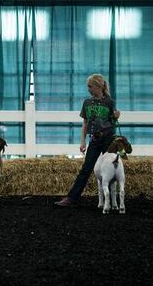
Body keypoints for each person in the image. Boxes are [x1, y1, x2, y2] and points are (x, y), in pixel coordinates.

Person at [55, 74, 120, 207]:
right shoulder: (87, 103)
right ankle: (72, 197)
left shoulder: (109, 102)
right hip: (95, 139)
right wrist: (83, 141)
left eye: (90, 86)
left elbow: (112, 122)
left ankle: (113, 199)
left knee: (111, 165)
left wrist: (116, 116)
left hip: (108, 138)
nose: (88, 89)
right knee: (86, 168)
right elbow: (85, 123)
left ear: (98, 86)